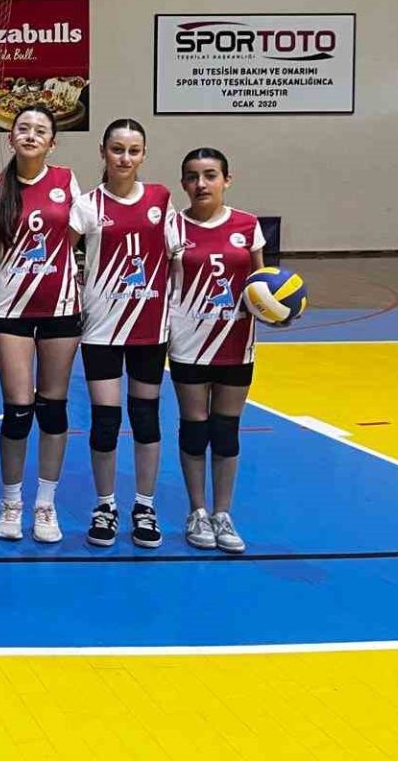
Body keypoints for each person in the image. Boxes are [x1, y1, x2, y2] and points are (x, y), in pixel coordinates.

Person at [70, 119, 181, 549]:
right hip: (101, 329)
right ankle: (105, 505)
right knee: (105, 420)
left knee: (146, 418)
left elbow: (177, 258)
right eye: (117, 149)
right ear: (103, 151)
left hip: (149, 328)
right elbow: (60, 256)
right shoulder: (87, 204)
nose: (125, 158)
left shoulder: (160, 199)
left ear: (144, 155)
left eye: (134, 150)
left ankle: (145, 506)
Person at [0, 105, 83, 544]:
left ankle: (45, 504)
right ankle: (11, 502)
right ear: (10, 138)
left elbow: (72, 237)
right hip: (11, 311)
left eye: (40, 130)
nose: (30, 135)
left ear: (52, 142)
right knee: (18, 409)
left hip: (60, 308)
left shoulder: (66, 181)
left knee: (53, 408)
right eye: (22, 128)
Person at [169, 147, 265, 554]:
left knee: (226, 430)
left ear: (227, 179)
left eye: (210, 175)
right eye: (193, 177)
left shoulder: (247, 225)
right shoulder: (173, 227)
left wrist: (278, 310)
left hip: (236, 344)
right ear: (183, 183)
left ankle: (223, 513)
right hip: (188, 344)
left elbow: (262, 283)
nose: (201, 184)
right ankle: (197, 510)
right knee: (195, 429)